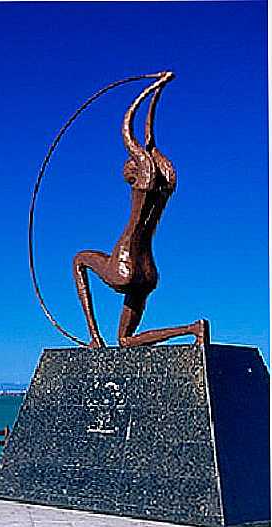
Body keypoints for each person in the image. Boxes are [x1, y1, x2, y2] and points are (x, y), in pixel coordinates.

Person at [71, 71, 209, 348]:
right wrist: (158, 90)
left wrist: (148, 91)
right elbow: (150, 139)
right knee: (125, 340)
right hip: (147, 272)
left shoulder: (140, 188)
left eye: (128, 165)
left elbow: (128, 129)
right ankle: (193, 329)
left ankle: (94, 335)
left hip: (125, 266)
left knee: (79, 259)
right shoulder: (166, 185)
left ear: (134, 171)